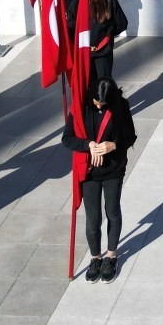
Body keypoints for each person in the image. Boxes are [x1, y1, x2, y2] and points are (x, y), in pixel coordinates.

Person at [64, 78, 137, 282]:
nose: (98, 106)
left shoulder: (121, 106)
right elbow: (67, 138)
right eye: (95, 102)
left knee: (112, 211)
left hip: (113, 169)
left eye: (102, 104)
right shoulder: (80, 107)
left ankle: (111, 256)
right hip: (89, 170)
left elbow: (130, 135)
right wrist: (88, 145)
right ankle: (95, 257)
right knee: (93, 217)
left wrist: (112, 146)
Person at [86, 0, 128, 81]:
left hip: (85, 48)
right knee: (104, 83)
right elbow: (122, 24)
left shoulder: (81, 0)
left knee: (89, 83)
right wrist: (110, 32)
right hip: (104, 48)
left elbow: (71, 21)